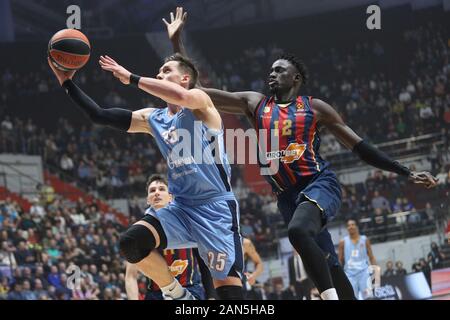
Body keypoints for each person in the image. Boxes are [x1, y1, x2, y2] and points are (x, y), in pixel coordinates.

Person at [166, 7, 438, 299]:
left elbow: (360, 148)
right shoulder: (255, 104)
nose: (272, 73)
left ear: (296, 78)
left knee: (298, 232)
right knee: (329, 264)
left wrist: (406, 171)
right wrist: (177, 44)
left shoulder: (315, 108)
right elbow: (197, 93)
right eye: (270, 70)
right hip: (285, 195)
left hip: (319, 184)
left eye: (279, 70)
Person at [48, 47, 244, 299]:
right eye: (159, 71)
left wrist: (131, 78)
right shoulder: (154, 118)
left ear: (185, 78)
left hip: (215, 210)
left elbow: (181, 97)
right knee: (131, 243)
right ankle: (178, 295)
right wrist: (67, 83)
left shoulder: (200, 102)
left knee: (231, 298)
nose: (159, 74)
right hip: (181, 209)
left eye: (166, 70)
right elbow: (100, 115)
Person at [125, 175, 210, 300]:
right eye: (152, 190)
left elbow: (205, 264)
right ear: (148, 200)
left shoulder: (188, 223)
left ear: (171, 197)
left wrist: (212, 295)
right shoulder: (140, 231)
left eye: (161, 189)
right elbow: (130, 276)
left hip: (190, 289)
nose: (157, 193)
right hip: (156, 294)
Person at [338, 218, 378, 300]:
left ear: (356, 227)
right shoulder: (343, 242)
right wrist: (340, 276)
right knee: (352, 297)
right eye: (348, 225)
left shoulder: (364, 239)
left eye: (353, 224)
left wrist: (375, 271)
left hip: (364, 273)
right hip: (350, 274)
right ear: (347, 228)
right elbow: (340, 260)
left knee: (368, 297)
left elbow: (371, 257)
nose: (351, 227)